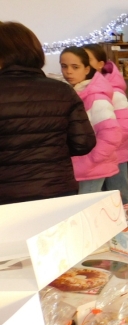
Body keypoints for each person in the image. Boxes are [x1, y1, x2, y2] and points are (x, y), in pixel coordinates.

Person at [0, 22, 96, 205]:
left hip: (6, 196)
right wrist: (51, 148)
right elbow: (83, 143)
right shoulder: (63, 91)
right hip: (56, 188)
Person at [60, 46, 121, 194]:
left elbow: (111, 134)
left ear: (87, 69)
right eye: (64, 66)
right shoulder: (73, 94)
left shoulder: (95, 97)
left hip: (91, 167)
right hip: (78, 165)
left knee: (86, 209)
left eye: (75, 67)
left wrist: (91, 160)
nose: (68, 71)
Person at [83, 44, 128, 204]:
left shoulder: (114, 91)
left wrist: (106, 146)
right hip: (94, 154)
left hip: (114, 153)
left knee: (120, 194)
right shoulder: (83, 88)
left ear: (100, 64)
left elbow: (125, 125)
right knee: (102, 196)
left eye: (88, 60)